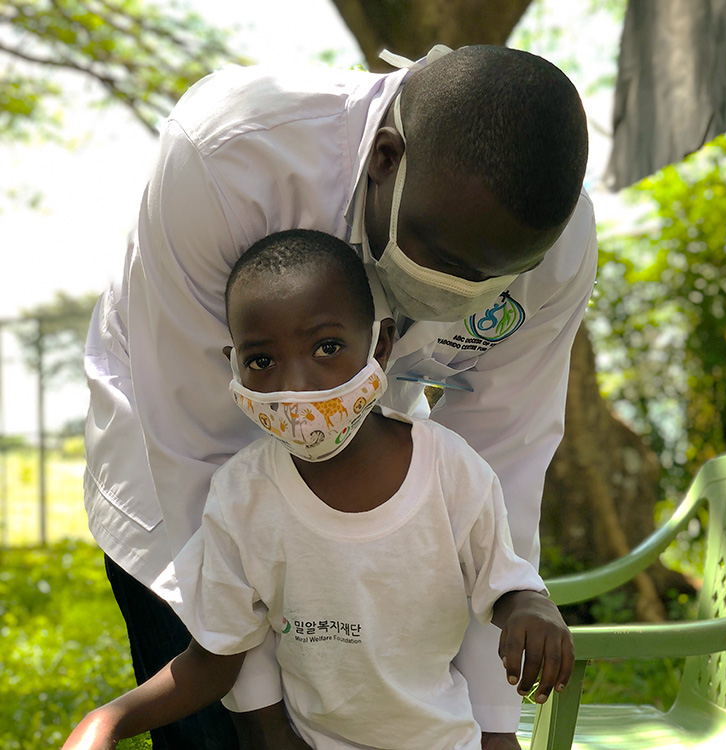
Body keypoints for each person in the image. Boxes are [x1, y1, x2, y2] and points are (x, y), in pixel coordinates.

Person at [83, 44, 595, 749]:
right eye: (440, 258)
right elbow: (200, 466)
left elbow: (501, 477)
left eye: (492, 279)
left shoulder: (555, 248)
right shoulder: (228, 158)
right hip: (181, 477)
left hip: (376, 504)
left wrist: (493, 724)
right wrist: (266, 718)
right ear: (385, 158)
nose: (460, 294)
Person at [66, 229, 574, 750]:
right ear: (234, 363)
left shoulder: (451, 471)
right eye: (262, 361)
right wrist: (107, 721)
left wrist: (531, 610)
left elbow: (507, 588)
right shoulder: (240, 497)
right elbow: (215, 660)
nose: (296, 385)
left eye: (326, 347)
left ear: (380, 344)